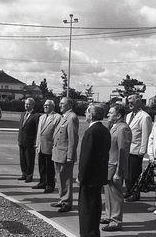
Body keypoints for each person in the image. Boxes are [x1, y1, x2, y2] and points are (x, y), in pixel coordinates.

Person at [78, 104, 111, 237]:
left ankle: (88, 234)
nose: (85, 114)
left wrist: (81, 177)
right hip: (98, 176)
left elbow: (86, 157)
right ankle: (93, 232)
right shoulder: (104, 130)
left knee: (87, 210)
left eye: (86, 112)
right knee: (95, 207)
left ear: (91, 115)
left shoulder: (91, 131)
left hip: (89, 178)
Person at [101, 103, 132, 231]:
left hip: (115, 167)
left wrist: (119, 172)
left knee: (116, 195)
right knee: (108, 193)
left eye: (110, 112)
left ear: (118, 115)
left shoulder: (123, 129)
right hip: (109, 166)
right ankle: (109, 215)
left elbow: (122, 152)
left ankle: (116, 221)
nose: (108, 114)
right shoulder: (114, 127)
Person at [50, 97, 79, 213]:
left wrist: (70, 156)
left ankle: (67, 202)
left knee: (66, 179)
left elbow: (73, 139)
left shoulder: (72, 117)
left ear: (69, 105)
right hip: (58, 153)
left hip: (65, 154)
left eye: (62, 103)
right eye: (60, 103)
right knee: (60, 179)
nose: (60, 105)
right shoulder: (64, 117)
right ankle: (62, 199)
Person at [125, 94, 152, 202]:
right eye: (128, 102)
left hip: (136, 150)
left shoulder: (145, 117)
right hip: (127, 149)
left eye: (132, 102)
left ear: (138, 102)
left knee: (135, 174)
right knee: (127, 173)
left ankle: (135, 193)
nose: (129, 104)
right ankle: (128, 190)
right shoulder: (128, 115)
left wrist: (142, 150)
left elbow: (146, 134)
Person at [33, 99, 61, 193]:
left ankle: (50, 185)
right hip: (41, 146)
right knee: (41, 166)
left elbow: (57, 134)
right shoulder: (41, 117)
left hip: (50, 147)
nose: (45, 107)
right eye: (44, 105)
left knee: (49, 167)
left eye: (47, 105)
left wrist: (55, 146)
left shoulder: (57, 117)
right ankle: (42, 182)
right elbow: (38, 132)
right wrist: (37, 144)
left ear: (53, 106)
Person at [17, 97, 39, 183]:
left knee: (29, 160)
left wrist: (35, 142)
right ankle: (24, 174)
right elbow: (21, 128)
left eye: (28, 104)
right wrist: (19, 139)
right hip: (22, 141)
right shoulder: (23, 114)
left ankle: (29, 175)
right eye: (25, 104)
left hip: (30, 142)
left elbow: (37, 130)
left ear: (33, 105)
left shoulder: (36, 116)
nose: (26, 105)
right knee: (22, 160)